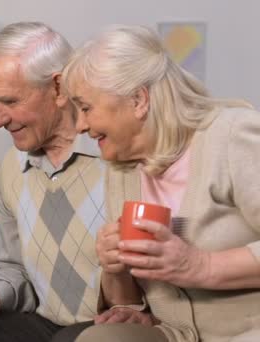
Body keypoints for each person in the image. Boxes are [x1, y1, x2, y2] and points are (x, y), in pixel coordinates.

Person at [0, 22, 153, 342]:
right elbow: (15, 267)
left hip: (109, 323)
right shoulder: (10, 170)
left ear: (59, 88)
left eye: (9, 101)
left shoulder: (118, 155)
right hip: (42, 322)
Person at [62, 25, 260, 342]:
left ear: (138, 100)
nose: (81, 126)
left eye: (85, 108)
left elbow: (193, 266)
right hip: (176, 334)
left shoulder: (232, 136)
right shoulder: (120, 168)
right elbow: (126, 301)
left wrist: (202, 266)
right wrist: (113, 268)